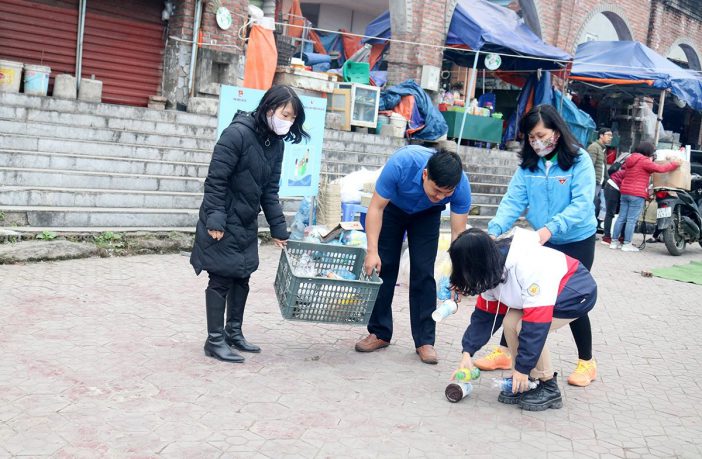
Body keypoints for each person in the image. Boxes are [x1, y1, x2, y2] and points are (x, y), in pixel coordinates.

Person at [478, 104, 599, 388]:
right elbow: (513, 201)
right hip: (543, 238)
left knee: (571, 298)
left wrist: (550, 229)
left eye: (541, 135)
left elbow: (582, 204)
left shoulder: (579, 160)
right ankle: (505, 352)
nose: (536, 142)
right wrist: (493, 231)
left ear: (557, 132)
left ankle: (587, 362)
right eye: (531, 137)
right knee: (523, 291)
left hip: (576, 239)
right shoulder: (529, 166)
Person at [190, 85, 310, 363]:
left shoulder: (275, 144)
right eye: (285, 115)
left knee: (242, 276)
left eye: (293, 118)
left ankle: (234, 333)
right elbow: (216, 180)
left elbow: (269, 191)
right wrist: (215, 218)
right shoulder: (237, 134)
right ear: (269, 108)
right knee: (221, 277)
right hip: (222, 218)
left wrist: (278, 228)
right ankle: (214, 340)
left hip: (245, 221)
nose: (288, 122)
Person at [449, 228, 597, 411]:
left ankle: (548, 386)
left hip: (575, 291)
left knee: (522, 327)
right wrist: (467, 353)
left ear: (476, 263)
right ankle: (527, 381)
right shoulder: (489, 267)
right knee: (510, 322)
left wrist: (523, 368)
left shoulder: (527, 266)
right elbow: (484, 317)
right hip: (545, 294)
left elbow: (536, 326)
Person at [355, 146, 471, 364]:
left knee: (423, 272)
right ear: (425, 174)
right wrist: (372, 251)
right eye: (436, 190)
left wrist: (459, 275)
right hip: (393, 208)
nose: (440, 197)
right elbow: (376, 208)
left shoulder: (461, 185)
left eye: (447, 194)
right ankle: (379, 332)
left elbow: (458, 234)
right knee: (383, 266)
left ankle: (425, 341)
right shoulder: (401, 164)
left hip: (427, 215)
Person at [610, 141, 681, 252]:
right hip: (636, 194)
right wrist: (674, 164)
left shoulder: (630, 159)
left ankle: (614, 242)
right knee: (631, 220)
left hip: (625, 192)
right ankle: (627, 244)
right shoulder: (644, 161)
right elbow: (660, 169)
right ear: (648, 151)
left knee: (621, 217)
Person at [600, 152, 629, 245]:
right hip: (613, 186)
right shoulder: (631, 165)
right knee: (611, 213)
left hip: (612, 185)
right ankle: (607, 237)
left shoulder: (627, 161)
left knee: (618, 213)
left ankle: (620, 237)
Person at [587, 128, 613, 229]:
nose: (610, 137)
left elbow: (603, 167)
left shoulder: (602, 149)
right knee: (590, 205)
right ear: (601, 135)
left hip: (598, 182)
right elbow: (589, 166)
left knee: (594, 205)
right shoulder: (594, 147)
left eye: (611, 136)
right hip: (593, 182)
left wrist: (608, 180)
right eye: (608, 135)